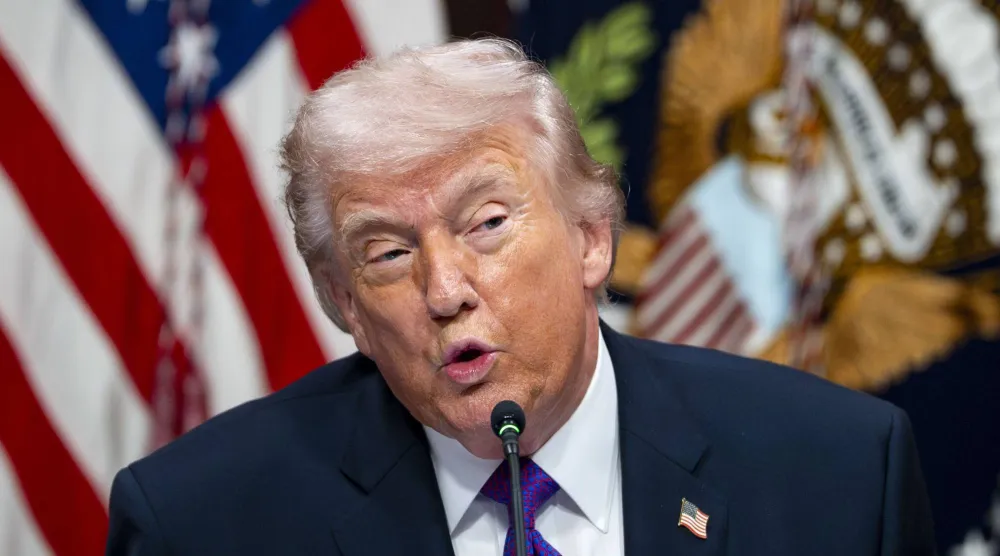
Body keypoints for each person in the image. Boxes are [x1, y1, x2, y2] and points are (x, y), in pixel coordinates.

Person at [105, 39, 935, 555]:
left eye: (488, 222)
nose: (445, 290)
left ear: (591, 237)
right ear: (344, 305)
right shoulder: (202, 522)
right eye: (389, 253)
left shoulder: (840, 474)